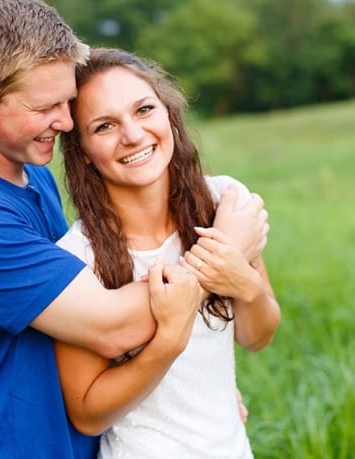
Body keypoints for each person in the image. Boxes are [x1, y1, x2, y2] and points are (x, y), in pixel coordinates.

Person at [0, 0, 270, 458]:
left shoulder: (30, 171)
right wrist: (225, 252)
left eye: (67, 103)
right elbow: (111, 326)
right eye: (44, 107)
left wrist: (196, 392)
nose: (64, 122)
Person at [55, 48, 281, 458]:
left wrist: (242, 280)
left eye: (144, 110)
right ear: (84, 151)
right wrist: (169, 338)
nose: (133, 135)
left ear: (169, 114)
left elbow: (257, 336)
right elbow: (87, 413)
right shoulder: (75, 257)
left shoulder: (225, 203)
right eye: (105, 125)